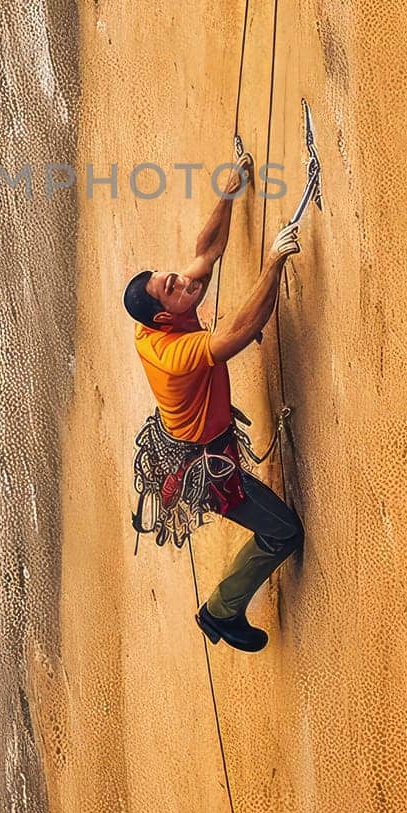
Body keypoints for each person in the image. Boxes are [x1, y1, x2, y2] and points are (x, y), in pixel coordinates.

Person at [124, 153, 304, 652]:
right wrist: (273, 263)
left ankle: (220, 610)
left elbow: (205, 252)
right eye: (173, 287)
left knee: (277, 525)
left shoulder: (162, 314)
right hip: (201, 469)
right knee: (283, 532)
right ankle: (220, 611)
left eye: (171, 277)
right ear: (162, 316)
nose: (184, 282)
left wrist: (229, 192)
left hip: (193, 445)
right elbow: (240, 333)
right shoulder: (174, 352)